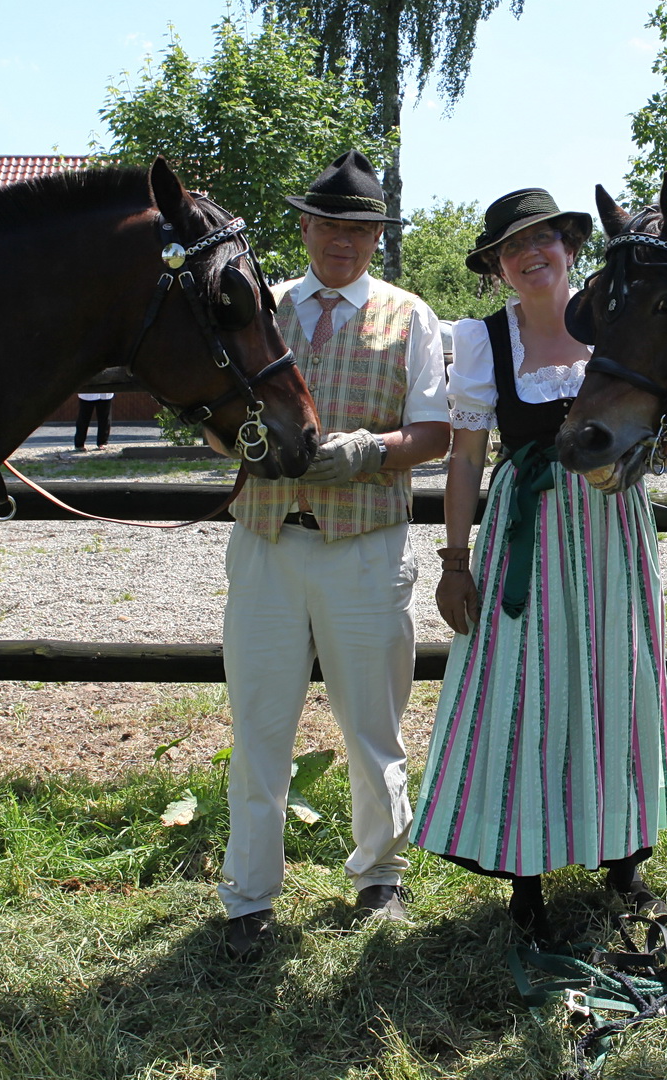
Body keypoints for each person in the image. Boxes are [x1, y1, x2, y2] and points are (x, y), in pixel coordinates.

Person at [409, 189, 667, 942]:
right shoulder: (483, 342)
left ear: (570, 247)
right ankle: (525, 875)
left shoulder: (616, 319)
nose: (532, 256)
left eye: (545, 241)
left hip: (613, 532)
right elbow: (465, 461)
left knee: (614, 680)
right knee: (523, 693)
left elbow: (647, 416)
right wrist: (455, 561)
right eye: (512, 248)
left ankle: (623, 854)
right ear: (497, 267)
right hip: (526, 533)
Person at [214, 150, 450, 959]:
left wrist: (366, 450)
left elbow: (436, 432)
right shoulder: (263, 306)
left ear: (377, 236)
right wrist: (244, 439)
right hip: (268, 542)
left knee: (373, 727)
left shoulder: (409, 315)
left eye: (358, 228)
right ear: (305, 226)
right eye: (328, 224)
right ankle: (249, 894)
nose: (341, 240)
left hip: (365, 548)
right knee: (259, 726)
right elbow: (215, 412)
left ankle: (379, 873)